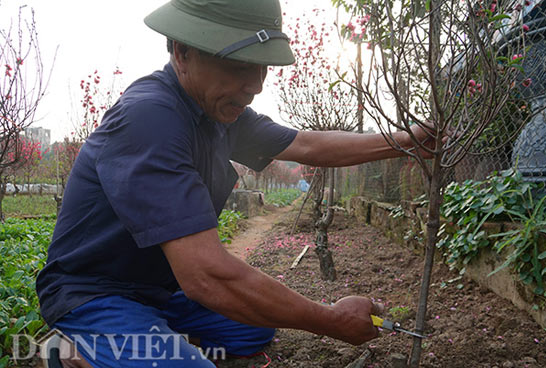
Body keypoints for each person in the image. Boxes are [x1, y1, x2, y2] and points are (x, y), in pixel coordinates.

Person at [36, 0, 435, 367]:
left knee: (254, 327)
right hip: (94, 292)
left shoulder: (217, 113)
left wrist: (406, 141)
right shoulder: (150, 118)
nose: (256, 84)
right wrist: (330, 320)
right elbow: (207, 275)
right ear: (181, 51)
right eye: (239, 64)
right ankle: (72, 351)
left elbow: (307, 143)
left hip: (159, 289)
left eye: (261, 67)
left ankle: (144, 339)